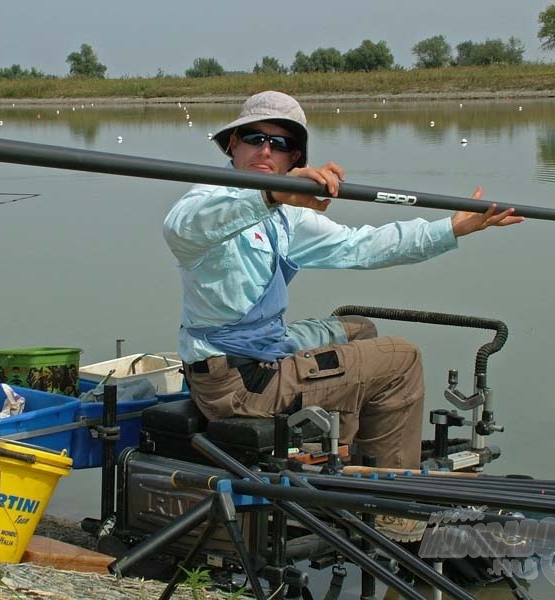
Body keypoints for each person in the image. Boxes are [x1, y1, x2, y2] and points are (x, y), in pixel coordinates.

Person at [163, 91, 522, 539]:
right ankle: (393, 511)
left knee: (359, 330)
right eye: (255, 138)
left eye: (280, 146)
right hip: (238, 382)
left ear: (295, 158)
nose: (265, 151)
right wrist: (272, 194)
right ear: (232, 144)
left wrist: (452, 228)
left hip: (262, 352)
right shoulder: (208, 201)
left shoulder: (284, 216)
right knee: (401, 358)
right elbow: (184, 228)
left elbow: (361, 245)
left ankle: (342, 463)